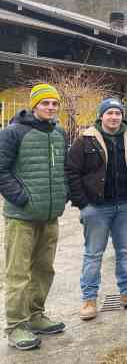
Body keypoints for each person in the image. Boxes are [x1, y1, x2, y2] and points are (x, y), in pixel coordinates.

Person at [65, 98, 127, 321]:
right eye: (109, 113)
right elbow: (72, 171)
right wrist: (83, 203)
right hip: (96, 208)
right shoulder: (85, 140)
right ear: (101, 116)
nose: (114, 117)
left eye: (117, 113)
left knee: (125, 253)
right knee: (93, 255)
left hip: (126, 206)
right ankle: (89, 300)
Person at [0, 84, 67, 350]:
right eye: (45, 103)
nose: (50, 107)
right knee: (18, 273)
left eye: (54, 103)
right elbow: (1, 171)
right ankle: (15, 326)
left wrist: (63, 194)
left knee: (43, 269)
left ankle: (36, 315)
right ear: (34, 104)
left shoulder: (59, 133)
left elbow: (63, 169)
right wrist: (22, 198)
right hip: (22, 217)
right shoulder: (13, 133)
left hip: (50, 216)